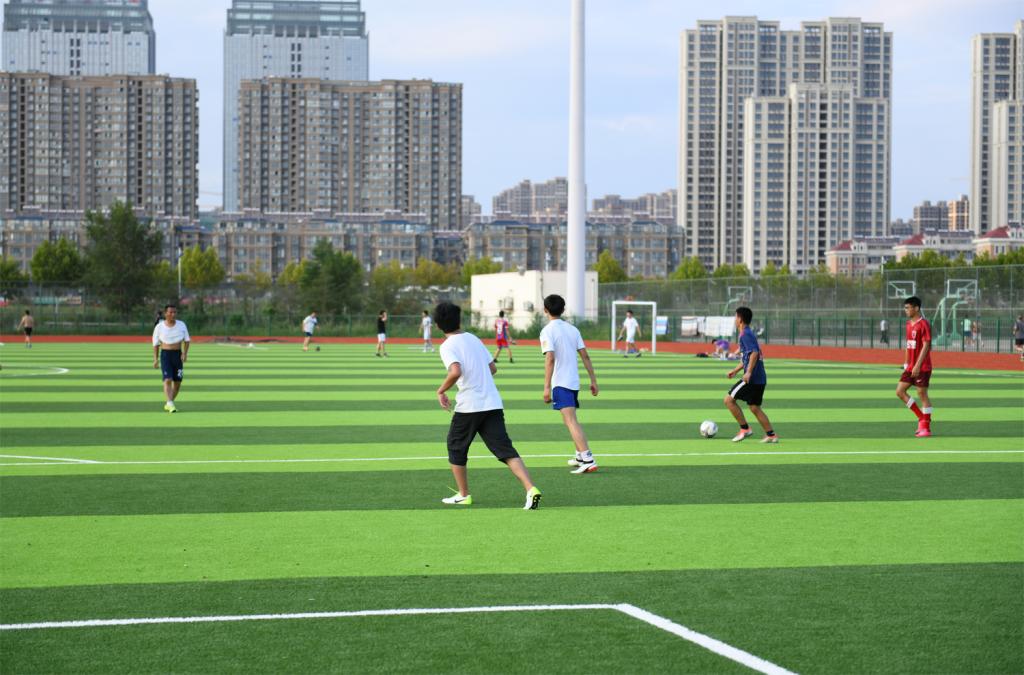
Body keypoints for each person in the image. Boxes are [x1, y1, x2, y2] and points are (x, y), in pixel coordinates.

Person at [433, 301, 541, 509]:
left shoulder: (447, 346)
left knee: (456, 447)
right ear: (459, 320)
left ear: (438, 325)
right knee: (505, 450)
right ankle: (530, 488)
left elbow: (455, 371)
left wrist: (441, 391)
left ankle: (464, 494)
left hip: (469, 406)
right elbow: (492, 369)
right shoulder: (474, 338)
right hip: (492, 403)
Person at [540, 294, 600, 474]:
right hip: (573, 382)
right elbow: (585, 356)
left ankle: (588, 459)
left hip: (561, 382)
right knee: (569, 420)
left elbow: (550, 358)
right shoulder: (573, 329)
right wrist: (593, 380)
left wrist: (546, 387)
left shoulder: (547, 331)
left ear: (545, 310)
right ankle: (580, 456)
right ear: (563, 309)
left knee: (571, 421)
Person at [724, 306, 778, 443]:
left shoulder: (745, 334)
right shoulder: (747, 333)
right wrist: (735, 370)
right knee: (754, 407)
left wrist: (748, 372)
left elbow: (754, 353)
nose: (735, 319)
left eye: (736, 317)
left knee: (729, 400)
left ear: (740, 319)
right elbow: (747, 358)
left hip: (752, 378)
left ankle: (745, 429)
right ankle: (771, 435)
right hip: (760, 378)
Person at [897, 296, 933, 437]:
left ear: (916, 308)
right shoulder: (908, 324)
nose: (905, 310)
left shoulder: (923, 324)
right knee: (900, 391)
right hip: (911, 366)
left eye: (908, 307)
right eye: (905, 307)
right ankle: (921, 418)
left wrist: (917, 365)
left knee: (922, 394)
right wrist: (907, 363)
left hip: (922, 367)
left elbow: (926, 345)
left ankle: (926, 428)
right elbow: (908, 345)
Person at [152, 304, 190, 413]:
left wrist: (185, 353)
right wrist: (155, 359)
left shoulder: (181, 325)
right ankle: (170, 403)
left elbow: (187, 340)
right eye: (171, 312)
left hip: (177, 355)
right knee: (167, 379)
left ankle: (169, 403)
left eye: (175, 312)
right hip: (166, 355)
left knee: (177, 383)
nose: (173, 314)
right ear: (166, 313)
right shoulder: (159, 327)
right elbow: (155, 344)